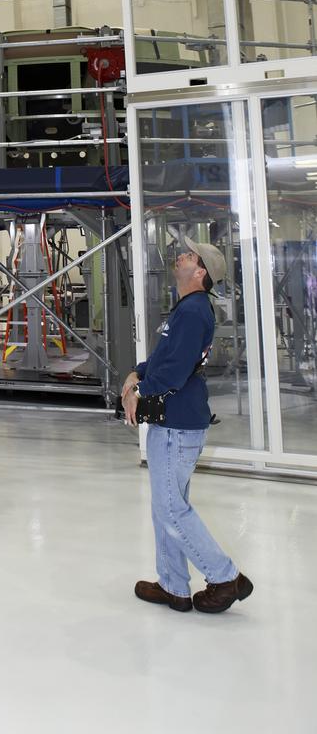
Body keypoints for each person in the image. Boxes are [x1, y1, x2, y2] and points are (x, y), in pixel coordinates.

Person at [122, 237, 253, 615]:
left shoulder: (195, 310)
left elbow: (175, 373)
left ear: (200, 272)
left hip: (178, 424)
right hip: (175, 421)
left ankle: (225, 576)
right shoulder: (185, 310)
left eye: (190, 254)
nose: (180, 254)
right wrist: (136, 374)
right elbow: (163, 359)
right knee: (167, 505)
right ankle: (173, 586)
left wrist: (138, 390)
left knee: (170, 508)